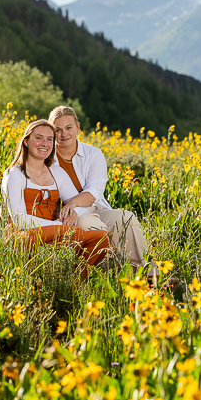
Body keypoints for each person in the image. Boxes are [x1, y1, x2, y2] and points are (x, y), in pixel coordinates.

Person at [47, 106, 153, 275]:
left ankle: (145, 272)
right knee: (89, 224)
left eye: (68, 128)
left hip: (93, 208)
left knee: (126, 218)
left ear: (78, 127)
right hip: (62, 215)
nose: (63, 134)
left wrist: (73, 204)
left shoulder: (93, 154)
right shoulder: (46, 157)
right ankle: (113, 271)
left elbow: (94, 191)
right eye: (57, 130)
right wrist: (70, 210)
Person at [1, 119, 111, 278]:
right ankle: (46, 275)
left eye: (49, 139)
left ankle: (71, 282)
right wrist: (58, 225)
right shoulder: (15, 174)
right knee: (75, 235)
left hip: (58, 232)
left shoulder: (56, 172)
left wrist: (72, 210)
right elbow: (19, 219)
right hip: (24, 233)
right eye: (38, 138)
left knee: (100, 239)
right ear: (26, 142)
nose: (44, 143)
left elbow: (77, 201)